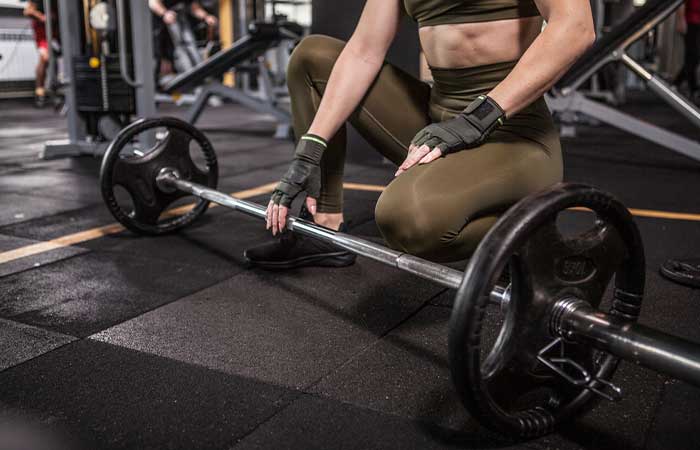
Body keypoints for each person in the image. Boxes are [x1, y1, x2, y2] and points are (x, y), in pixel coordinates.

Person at [245, 0, 596, 269]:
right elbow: (364, 51)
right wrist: (310, 150)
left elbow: (576, 28)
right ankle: (325, 227)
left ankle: (533, 237)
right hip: (436, 125)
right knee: (312, 57)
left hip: (513, 134)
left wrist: (475, 120)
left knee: (406, 220)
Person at [148, 0, 218, 83]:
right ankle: (188, 77)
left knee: (190, 44)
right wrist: (164, 13)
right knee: (176, 48)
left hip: (177, 17)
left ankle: (200, 75)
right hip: (158, 21)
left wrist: (206, 17)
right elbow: (152, 2)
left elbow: (194, 8)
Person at [23, 0, 50, 107]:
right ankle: (40, 92)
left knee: (54, 59)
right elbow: (27, 11)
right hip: (42, 34)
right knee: (44, 58)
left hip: (54, 32)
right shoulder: (35, 2)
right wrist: (42, 17)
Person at [674, 0, 700, 103]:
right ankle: (692, 88)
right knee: (693, 56)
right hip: (690, 23)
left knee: (693, 58)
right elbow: (681, 3)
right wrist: (681, 20)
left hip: (698, 23)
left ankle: (678, 84)